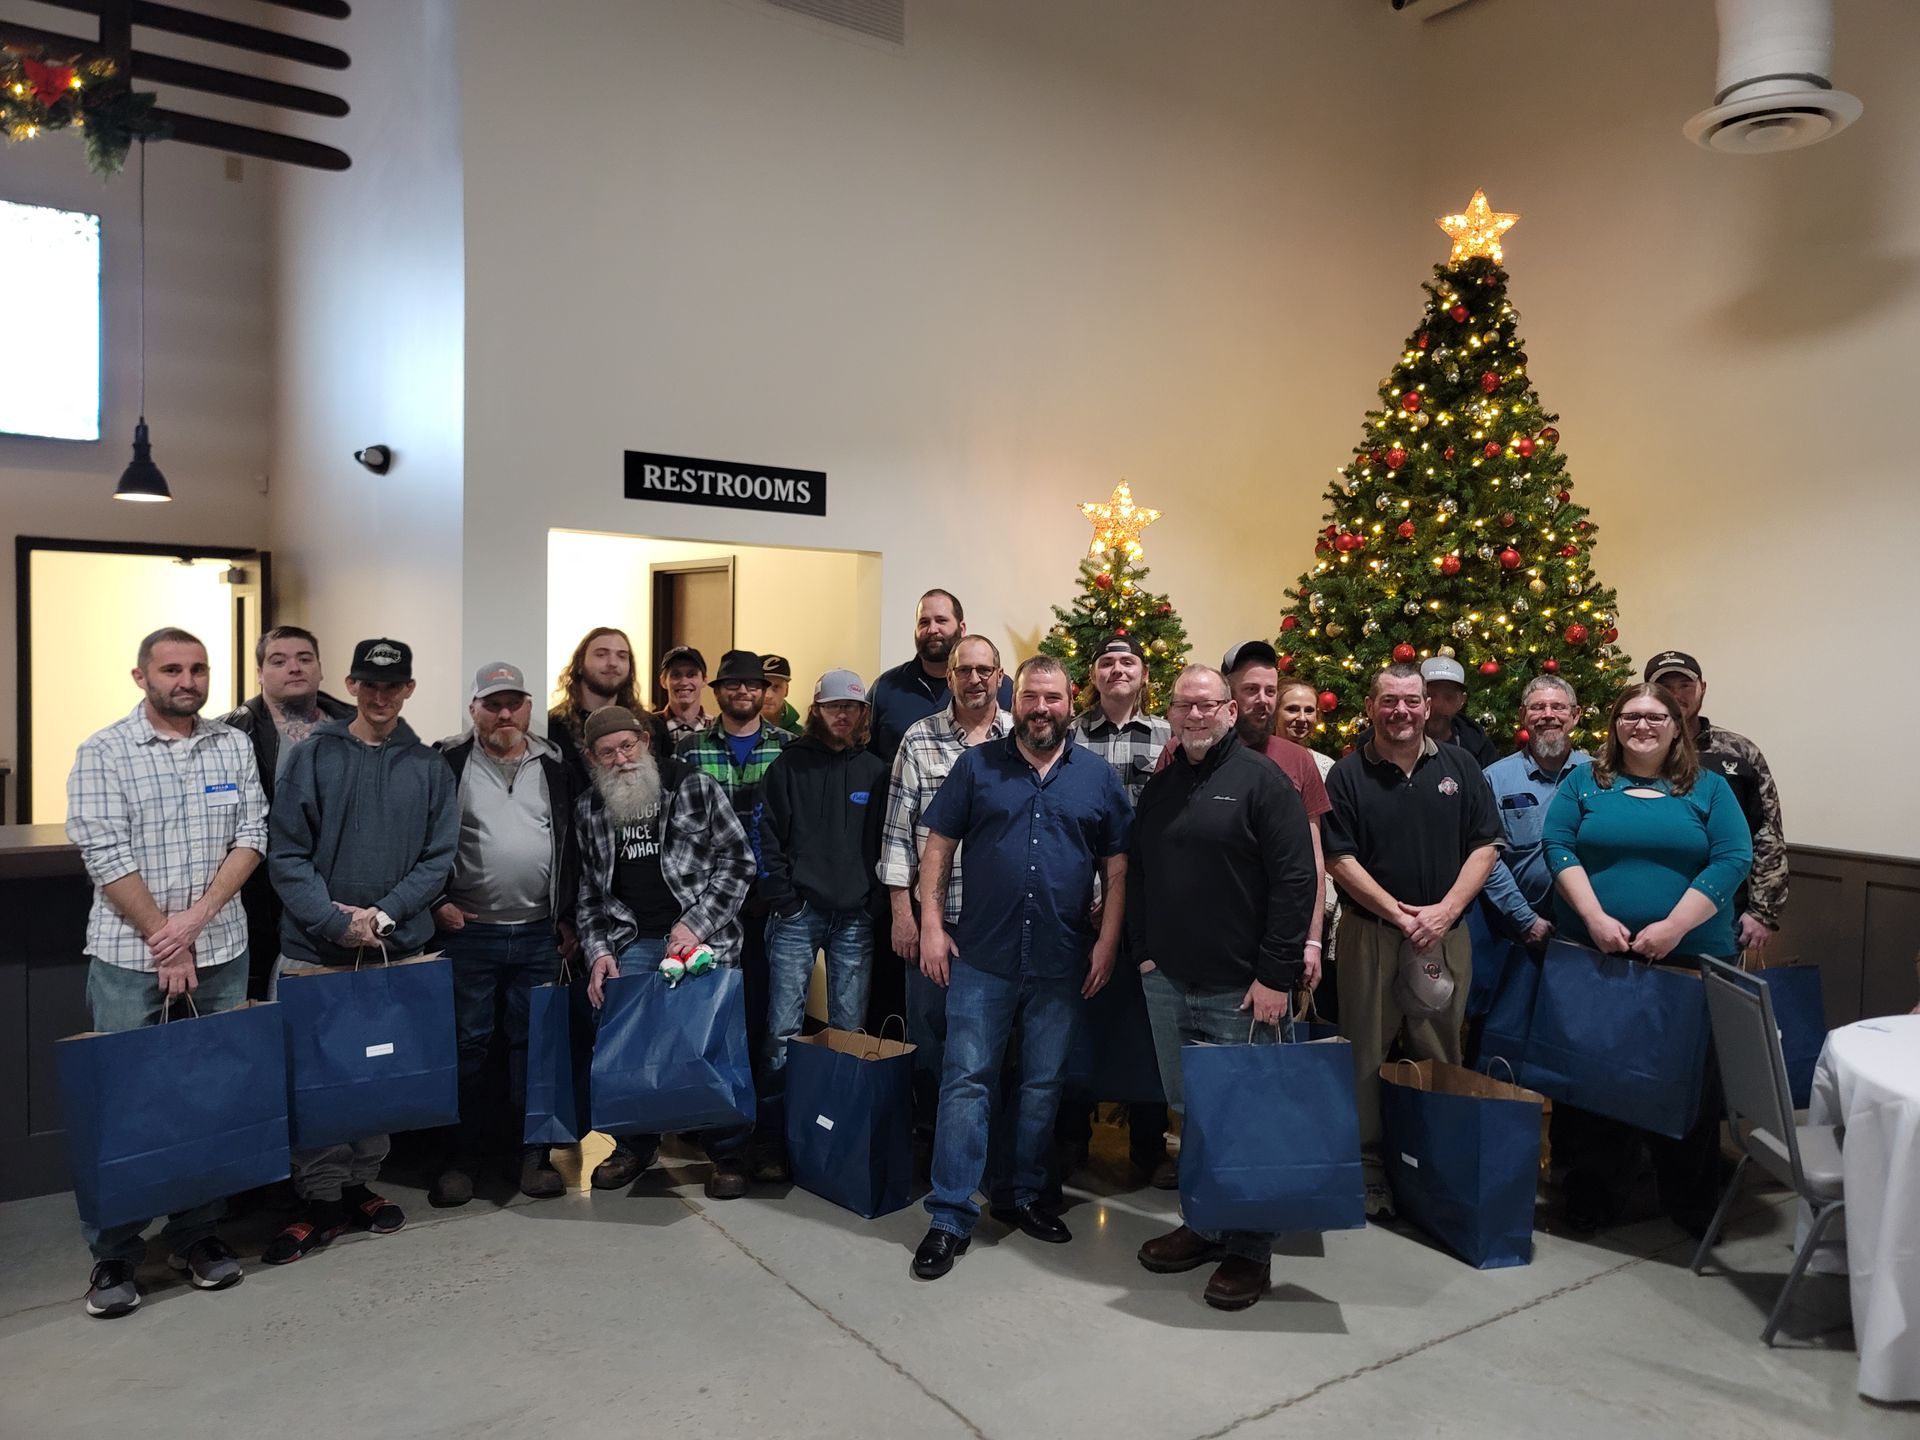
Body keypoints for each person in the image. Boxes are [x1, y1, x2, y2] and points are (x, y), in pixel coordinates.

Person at [65, 627, 269, 1318]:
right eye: (172, 669)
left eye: (198, 668)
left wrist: (196, 921)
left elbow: (252, 836)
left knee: (212, 1098)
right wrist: (166, 938)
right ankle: (115, 1251)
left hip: (221, 951)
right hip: (131, 960)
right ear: (141, 677)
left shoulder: (232, 746)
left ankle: (196, 1234)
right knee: (125, 1103)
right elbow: (104, 853)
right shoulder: (104, 751)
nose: (187, 681)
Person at [909, 656, 1131, 1281]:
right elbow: (937, 848)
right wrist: (932, 926)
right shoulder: (977, 767)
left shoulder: (1096, 778)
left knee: (1041, 1084)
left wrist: (1108, 941)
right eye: (1031, 697)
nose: (1041, 709)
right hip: (983, 955)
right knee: (966, 1082)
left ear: (1070, 701)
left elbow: (1117, 867)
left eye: (1052, 698)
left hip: (1062, 958)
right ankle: (950, 1214)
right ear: (1016, 698)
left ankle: (1023, 1193)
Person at [264, 637, 459, 1264]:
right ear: (350, 686)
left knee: (379, 1073)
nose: (380, 696)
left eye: (392, 685)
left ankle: (359, 1185)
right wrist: (333, 921)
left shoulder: (428, 767)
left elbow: (438, 857)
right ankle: (319, 1196)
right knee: (319, 1079)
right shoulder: (311, 756)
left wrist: (384, 915)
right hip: (315, 952)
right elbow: (286, 853)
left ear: (408, 689)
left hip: (395, 951)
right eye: (369, 684)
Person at [1130, 665, 1317, 1311]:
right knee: (1194, 1115)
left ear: (1231, 712)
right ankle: (1205, 1224)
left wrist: (1274, 975)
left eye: (1208, 705)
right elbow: (1140, 871)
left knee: (1248, 1119)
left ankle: (1250, 1250)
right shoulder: (1162, 785)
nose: (1196, 715)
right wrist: (1144, 953)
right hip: (1169, 981)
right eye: (1185, 705)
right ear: (1171, 713)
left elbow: (1297, 882)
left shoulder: (1263, 782)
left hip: (1243, 990)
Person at [1542, 682, 1752, 1235]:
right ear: (1614, 725)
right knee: (1597, 1082)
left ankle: (1689, 1201)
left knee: (1689, 1085)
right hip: (1597, 954)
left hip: (1689, 960)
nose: (1642, 725)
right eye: (1630, 715)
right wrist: (1593, 917)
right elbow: (1557, 846)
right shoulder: (1585, 782)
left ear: (1676, 727)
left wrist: (1673, 927)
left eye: (1656, 716)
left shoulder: (1709, 788)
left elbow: (1734, 856)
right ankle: (1593, 1197)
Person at [1322, 662, 1503, 1217]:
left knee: (1441, 1049)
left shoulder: (1461, 766)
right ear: (1370, 707)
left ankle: (1437, 1165)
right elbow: (1338, 857)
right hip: (1372, 934)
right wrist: (1399, 916)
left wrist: (1444, 913)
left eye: (1410, 700)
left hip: (1444, 934)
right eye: (1388, 700)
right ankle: (1368, 1167)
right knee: (1364, 1052)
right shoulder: (1347, 775)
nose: (1400, 711)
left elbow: (1486, 846)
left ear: (1427, 706)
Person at [575, 705, 757, 1199]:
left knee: (715, 1044)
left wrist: (694, 925)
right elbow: (589, 894)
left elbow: (739, 862)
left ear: (645, 742)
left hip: (704, 937)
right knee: (629, 1046)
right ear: (592, 758)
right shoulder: (590, 809)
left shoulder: (695, 787)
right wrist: (598, 953)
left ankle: (727, 1151)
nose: (621, 759)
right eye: (608, 752)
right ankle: (635, 1145)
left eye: (627, 746)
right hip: (630, 940)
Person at [428, 662, 580, 1209]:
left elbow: (575, 844)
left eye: (514, 703)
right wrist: (436, 902)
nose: (505, 713)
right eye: (492, 704)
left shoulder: (558, 765)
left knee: (536, 1046)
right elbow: (422, 839)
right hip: (469, 933)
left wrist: (568, 915)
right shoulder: (446, 761)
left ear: (529, 707)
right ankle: (460, 1157)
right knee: (465, 1047)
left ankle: (532, 1156)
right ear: (474, 709)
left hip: (540, 932)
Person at [876, 634, 1013, 1132]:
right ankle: (934, 1139)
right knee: (931, 1033)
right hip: (937, 920)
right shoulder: (919, 740)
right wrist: (903, 916)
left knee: (998, 1041)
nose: (974, 679)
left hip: (1000, 924)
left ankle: (986, 1144)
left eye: (984, 670)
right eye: (964, 670)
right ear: (949, 677)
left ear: (1000, 677)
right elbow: (896, 835)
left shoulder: (1019, 736)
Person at [756, 669, 887, 1173]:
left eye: (851, 707)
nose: (842, 715)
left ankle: (839, 1139)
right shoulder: (788, 766)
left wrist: (873, 904)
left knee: (849, 1033)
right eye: (833, 707)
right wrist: (784, 899)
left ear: (862, 714)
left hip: (855, 918)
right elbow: (765, 836)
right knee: (782, 1032)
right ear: (816, 710)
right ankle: (775, 1140)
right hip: (798, 915)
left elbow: (889, 841)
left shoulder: (875, 771)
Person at [1057, 636, 1172, 1186]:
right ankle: (1071, 1138)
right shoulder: (1069, 735)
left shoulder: (1169, 737)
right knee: (1079, 1016)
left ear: (1144, 674)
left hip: (1149, 903)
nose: (1117, 669)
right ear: (1093, 676)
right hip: (1079, 903)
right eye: (1107, 662)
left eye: (1128, 661)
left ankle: (1149, 1145)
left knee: (1148, 1025)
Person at [1156, 643, 1330, 993]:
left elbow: (1310, 861)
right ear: (1230, 698)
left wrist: (1311, 941)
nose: (1263, 700)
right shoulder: (1182, 750)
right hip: (1193, 952)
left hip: (1271, 949)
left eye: (1270, 691)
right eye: (1251, 690)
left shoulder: (1297, 759)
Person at [677, 649, 792, 1173]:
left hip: (770, 906)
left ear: (765, 693)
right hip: (709, 907)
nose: (743, 692)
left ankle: (761, 1132)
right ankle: (709, 1121)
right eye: (733, 684)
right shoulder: (688, 750)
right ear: (717, 691)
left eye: (752, 685)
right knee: (711, 1016)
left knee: (767, 1018)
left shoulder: (787, 748)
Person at [221, 624, 354, 999]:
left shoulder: (356, 726)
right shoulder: (230, 735)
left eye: (304, 658)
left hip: (343, 890)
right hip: (262, 896)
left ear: (320, 668)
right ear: (260, 673)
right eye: (279, 661)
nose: (294, 667)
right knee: (264, 1003)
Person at [1643, 650, 1786, 952]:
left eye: (1685, 685)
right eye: (1665, 687)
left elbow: (1767, 833)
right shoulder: (1631, 751)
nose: (1676, 695)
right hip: (1644, 910)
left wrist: (1763, 911)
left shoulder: (1739, 752)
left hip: (1723, 911)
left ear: (1702, 688)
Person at [1479, 675, 1592, 946]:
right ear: (1522, 716)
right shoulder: (1494, 779)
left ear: (1575, 715)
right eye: (1538, 707)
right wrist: (1525, 919)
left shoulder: (1599, 776)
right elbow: (1485, 857)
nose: (1548, 715)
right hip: (1516, 934)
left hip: (1590, 932)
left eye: (1558, 707)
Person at [868, 589, 1014, 764]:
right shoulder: (886, 688)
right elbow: (863, 757)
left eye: (941, 620)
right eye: (924, 622)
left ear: (962, 628)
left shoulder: (1000, 688)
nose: (932, 629)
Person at [1278, 680, 1341, 1019]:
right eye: (1292, 709)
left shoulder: (1327, 768)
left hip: (1316, 905)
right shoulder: (1256, 760)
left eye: (1309, 710)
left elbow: (1330, 844)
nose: (1301, 718)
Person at [1351, 656, 1498, 768]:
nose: (1439, 705)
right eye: (1432, 695)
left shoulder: (1477, 745)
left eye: (1448, 697)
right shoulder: (1373, 743)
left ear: (1462, 701)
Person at [548, 627, 643, 785]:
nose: (612, 663)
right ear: (580, 664)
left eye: (622, 656)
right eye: (601, 654)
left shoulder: (651, 726)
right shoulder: (552, 728)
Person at [657, 645, 711, 748]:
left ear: (704, 680)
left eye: (691, 675)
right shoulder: (648, 727)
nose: (684, 682)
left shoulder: (717, 729)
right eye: (676, 675)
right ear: (663, 681)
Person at [759, 653, 802, 733]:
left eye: (776, 687)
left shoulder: (801, 736)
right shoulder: (736, 731)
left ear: (787, 690)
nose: (768, 695)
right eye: (763, 686)